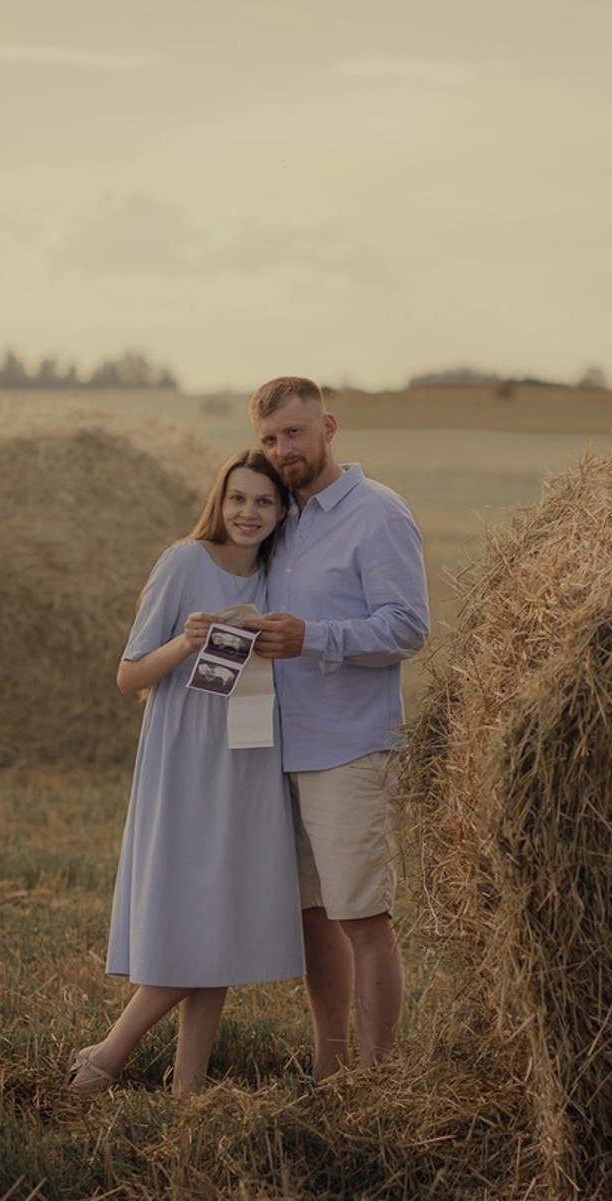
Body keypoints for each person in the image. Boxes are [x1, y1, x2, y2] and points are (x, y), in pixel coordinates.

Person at [66, 448, 304, 1096]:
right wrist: (186, 641)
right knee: (194, 908)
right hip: (185, 754)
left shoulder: (275, 579)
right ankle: (108, 1057)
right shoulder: (183, 562)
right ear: (218, 502)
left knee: (220, 909)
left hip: (249, 754)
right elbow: (128, 676)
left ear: (281, 511)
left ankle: (189, 1083)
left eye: (263, 501)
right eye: (238, 498)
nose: (248, 512)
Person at [244, 376, 429, 1079]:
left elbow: (408, 627)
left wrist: (313, 637)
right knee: (312, 916)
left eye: (293, 433)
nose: (281, 450)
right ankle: (331, 1068)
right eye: (268, 439)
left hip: (350, 748)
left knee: (362, 918)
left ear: (328, 426)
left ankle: (376, 1082)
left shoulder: (378, 514)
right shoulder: (277, 518)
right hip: (279, 748)